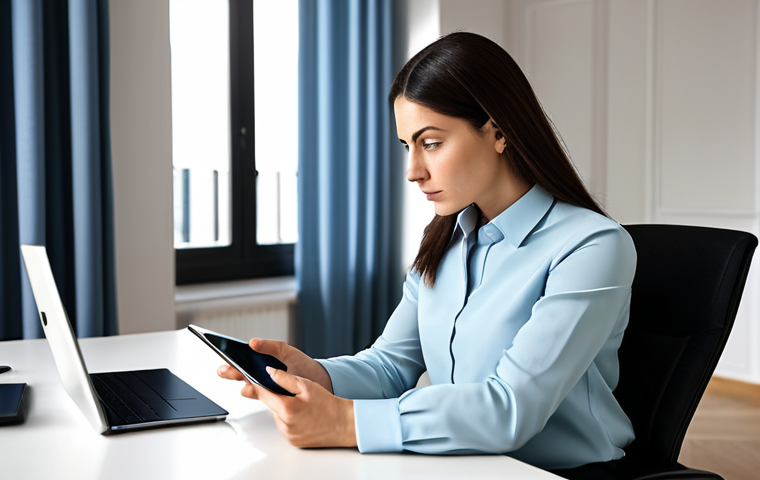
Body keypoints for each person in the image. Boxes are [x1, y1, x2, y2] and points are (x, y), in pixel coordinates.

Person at [217, 31, 636, 472]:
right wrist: (315, 375)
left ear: (498, 131)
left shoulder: (590, 246)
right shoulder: (444, 240)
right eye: (406, 146)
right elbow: (390, 367)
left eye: (430, 142)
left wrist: (345, 421)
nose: (413, 171)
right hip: (458, 463)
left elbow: (510, 409)